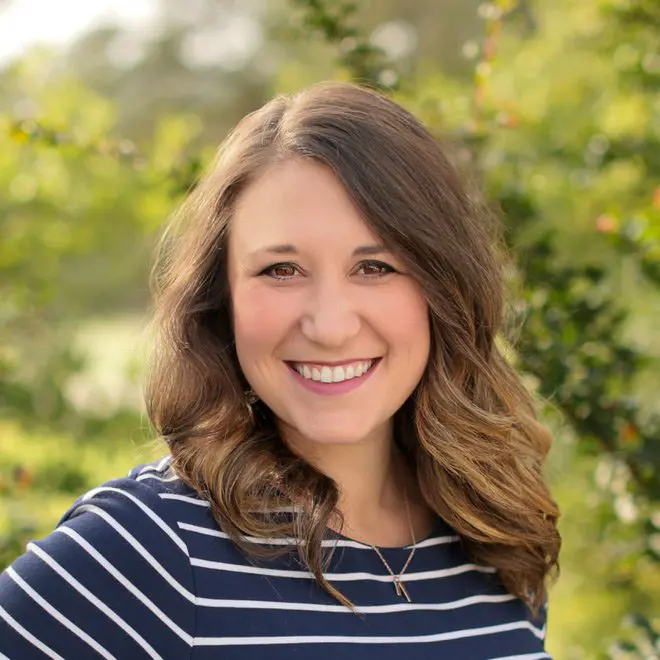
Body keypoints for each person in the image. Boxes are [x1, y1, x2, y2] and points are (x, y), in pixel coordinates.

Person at [0, 81, 561, 659]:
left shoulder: (495, 533)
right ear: (224, 299)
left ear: (444, 288)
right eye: (282, 271)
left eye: (374, 266)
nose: (331, 326)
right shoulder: (147, 551)